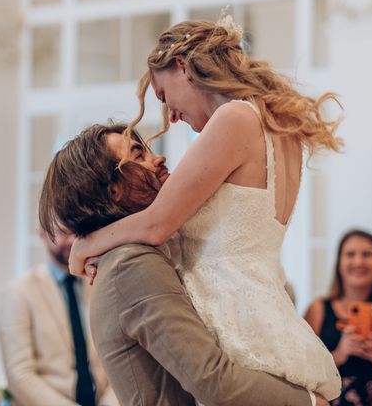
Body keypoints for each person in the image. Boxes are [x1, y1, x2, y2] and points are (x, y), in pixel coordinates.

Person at [68, 16, 343, 400]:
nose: (172, 116)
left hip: (234, 322)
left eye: (165, 97)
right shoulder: (281, 130)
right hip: (270, 316)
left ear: (183, 67)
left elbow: (155, 225)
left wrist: (87, 244)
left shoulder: (234, 118)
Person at [40, 122, 329, 406]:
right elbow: (214, 381)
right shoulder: (132, 265)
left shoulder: (132, 255)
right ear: (113, 191)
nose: (159, 158)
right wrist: (310, 403)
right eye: (139, 155)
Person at [0, 226, 118, 406]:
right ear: (42, 234)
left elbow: (121, 358)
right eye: (62, 232)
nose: (71, 240)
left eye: (77, 231)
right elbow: (19, 375)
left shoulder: (102, 284)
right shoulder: (18, 292)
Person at [305, 230, 372, 404]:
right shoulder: (318, 309)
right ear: (339, 262)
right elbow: (303, 371)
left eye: (367, 254)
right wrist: (339, 354)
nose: (358, 261)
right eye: (350, 254)